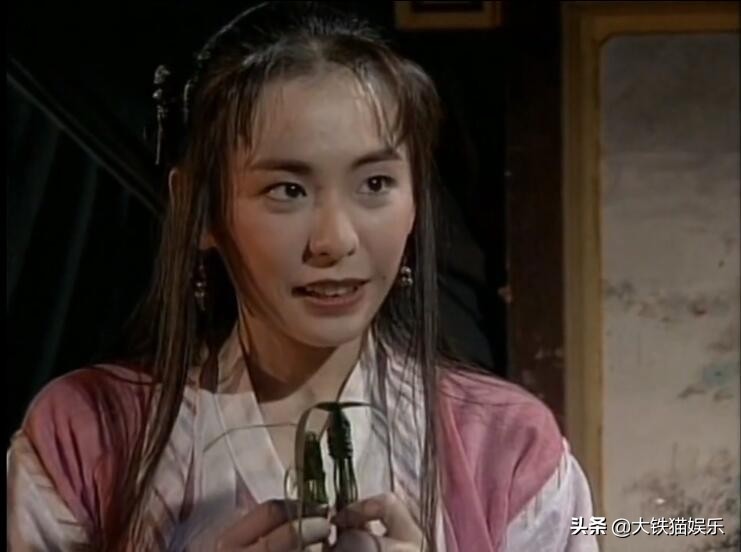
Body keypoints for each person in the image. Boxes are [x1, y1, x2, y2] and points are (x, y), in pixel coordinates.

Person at [7, 3, 598, 551]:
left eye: (375, 184)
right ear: (199, 209)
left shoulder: (510, 448)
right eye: (287, 190)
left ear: (417, 198)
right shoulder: (84, 435)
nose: (335, 239)